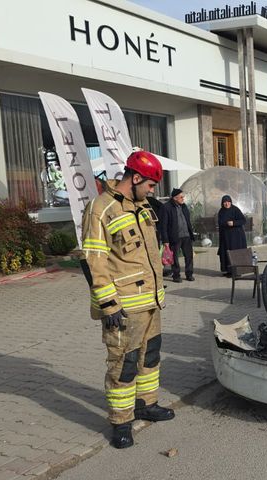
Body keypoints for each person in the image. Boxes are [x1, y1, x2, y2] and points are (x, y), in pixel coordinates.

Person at [80, 150, 175, 450]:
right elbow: (94, 260)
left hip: (151, 302)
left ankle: (146, 404)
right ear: (135, 178)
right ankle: (121, 422)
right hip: (123, 307)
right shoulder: (100, 208)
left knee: (150, 357)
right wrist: (108, 304)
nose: (151, 191)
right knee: (123, 364)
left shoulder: (142, 206)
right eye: (149, 185)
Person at [160, 188, 195, 283]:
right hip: (175, 237)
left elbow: (187, 220)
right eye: (181, 197)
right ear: (175, 198)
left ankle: (189, 274)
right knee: (174, 258)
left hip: (186, 235)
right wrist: (165, 240)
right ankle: (176, 275)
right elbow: (163, 225)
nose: (183, 198)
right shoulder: (166, 207)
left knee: (189, 256)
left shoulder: (184, 206)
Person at [217, 195, 247, 276]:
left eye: (228, 202)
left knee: (235, 253)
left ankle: (237, 272)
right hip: (225, 237)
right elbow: (220, 223)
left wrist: (234, 223)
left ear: (231, 202)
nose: (227, 204)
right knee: (226, 253)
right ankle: (228, 271)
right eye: (225, 202)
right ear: (222, 203)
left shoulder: (235, 210)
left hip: (236, 237)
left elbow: (243, 220)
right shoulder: (221, 211)